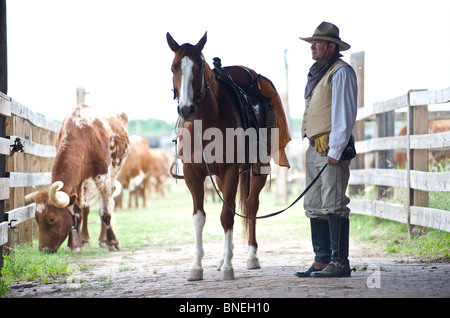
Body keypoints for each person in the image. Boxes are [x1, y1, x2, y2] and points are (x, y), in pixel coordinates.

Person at [295, 21, 357, 278]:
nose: (313, 46)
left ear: (332, 46)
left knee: (334, 203)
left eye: (318, 42)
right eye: (312, 42)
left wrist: (336, 148)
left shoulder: (341, 72)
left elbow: (344, 114)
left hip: (332, 148)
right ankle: (321, 260)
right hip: (315, 147)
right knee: (315, 204)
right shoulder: (320, 71)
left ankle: (340, 262)